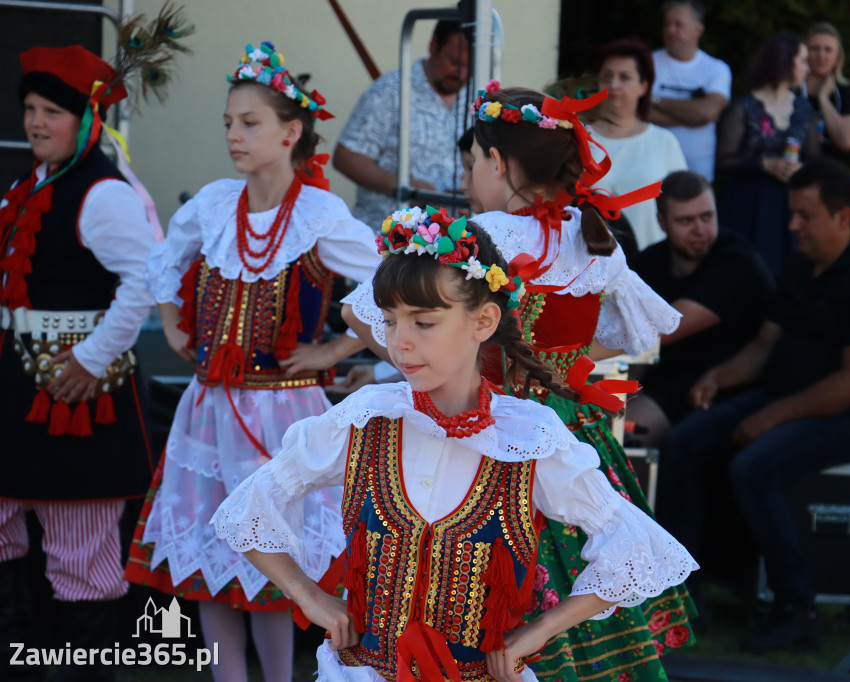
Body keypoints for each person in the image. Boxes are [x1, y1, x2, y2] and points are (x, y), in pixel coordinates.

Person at [212, 213, 697, 682]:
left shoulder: (527, 438)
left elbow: (636, 546)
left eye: (423, 323)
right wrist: (308, 596)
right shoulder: (366, 419)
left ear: (483, 320)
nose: (400, 342)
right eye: (389, 321)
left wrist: (541, 630)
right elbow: (250, 505)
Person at [342, 85, 698, 681]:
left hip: (489, 433)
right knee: (599, 550)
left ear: (499, 164)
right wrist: (561, 360)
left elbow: (361, 309)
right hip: (576, 432)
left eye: (475, 161)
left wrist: (421, 367)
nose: (469, 176)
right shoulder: (591, 238)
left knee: (476, 592)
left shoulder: (484, 237)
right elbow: (643, 327)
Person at [124, 42, 379, 682]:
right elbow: (164, 256)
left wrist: (336, 348)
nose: (235, 135)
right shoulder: (214, 204)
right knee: (214, 561)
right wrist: (171, 318)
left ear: (291, 132)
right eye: (229, 123)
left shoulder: (318, 212)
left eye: (250, 123)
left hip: (286, 409)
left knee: (271, 556)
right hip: (210, 408)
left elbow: (390, 280)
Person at [661, 158, 850, 654]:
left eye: (804, 214)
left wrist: (771, 416)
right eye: (793, 212)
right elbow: (764, 347)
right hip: (784, 394)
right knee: (685, 441)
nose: (792, 224)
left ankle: (797, 608)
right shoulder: (800, 265)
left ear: (843, 218)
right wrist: (717, 377)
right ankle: (684, 587)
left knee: (753, 467)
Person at [0, 44, 159, 682]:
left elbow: (144, 280)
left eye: (52, 111)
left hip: (77, 397)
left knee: (79, 542)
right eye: (30, 109)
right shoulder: (28, 188)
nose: (36, 123)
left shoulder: (102, 194)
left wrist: (93, 358)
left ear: (85, 119)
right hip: (18, 387)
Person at [630, 170, 774, 450]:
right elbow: (634, 342)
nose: (700, 229)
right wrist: (618, 390)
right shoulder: (650, 261)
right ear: (662, 222)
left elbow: (661, 330)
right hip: (666, 377)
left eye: (707, 217)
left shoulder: (737, 262)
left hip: (726, 383)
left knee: (627, 433)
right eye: (686, 220)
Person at [333, 20, 470, 225]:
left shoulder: (477, 97)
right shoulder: (390, 91)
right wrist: (405, 187)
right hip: (386, 238)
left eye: (470, 66)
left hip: (450, 241)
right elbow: (346, 157)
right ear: (433, 45)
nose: (461, 74)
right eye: (454, 61)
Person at [717, 33, 818, 276]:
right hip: (749, 204)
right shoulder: (745, 105)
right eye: (802, 60)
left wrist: (800, 168)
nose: (808, 67)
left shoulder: (804, 108)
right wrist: (765, 164)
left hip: (791, 204)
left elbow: (816, 160)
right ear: (784, 62)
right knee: (746, 272)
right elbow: (723, 161)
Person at [588, 39, 688, 251]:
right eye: (607, 76)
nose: (613, 84)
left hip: (651, 263)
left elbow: (684, 205)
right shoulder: (578, 138)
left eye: (624, 77)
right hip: (589, 268)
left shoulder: (664, 141)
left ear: (644, 86)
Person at [648, 0, 731, 181]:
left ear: (698, 30)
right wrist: (694, 117)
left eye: (678, 24)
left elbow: (708, 112)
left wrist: (656, 100)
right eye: (667, 24)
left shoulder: (716, 69)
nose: (670, 30)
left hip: (698, 175)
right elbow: (641, 114)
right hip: (650, 172)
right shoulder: (648, 63)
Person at [804, 23, 850, 161]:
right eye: (814, 49)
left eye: (828, 50)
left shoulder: (848, 92)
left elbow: (847, 141)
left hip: (829, 173)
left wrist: (823, 98)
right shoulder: (790, 88)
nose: (821, 55)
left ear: (837, 58)